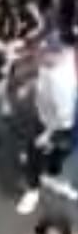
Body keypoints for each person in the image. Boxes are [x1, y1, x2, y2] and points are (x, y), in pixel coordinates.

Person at [16, 35, 78, 214]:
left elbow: (65, 120)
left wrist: (47, 135)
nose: (39, 55)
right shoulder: (53, 61)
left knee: (35, 153)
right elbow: (42, 75)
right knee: (57, 152)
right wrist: (30, 85)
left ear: (57, 55)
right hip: (46, 113)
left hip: (55, 125)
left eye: (44, 53)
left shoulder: (63, 84)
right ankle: (51, 170)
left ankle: (33, 190)